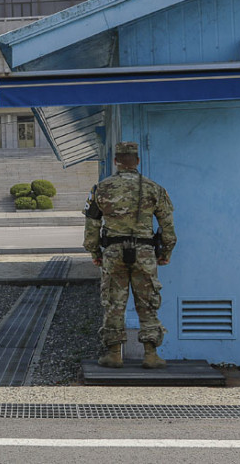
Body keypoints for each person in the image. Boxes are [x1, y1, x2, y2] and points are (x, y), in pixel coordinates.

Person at [83, 141, 176, 370]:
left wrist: (95, 252)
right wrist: (165, 253)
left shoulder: (101, 188)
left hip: (113, 252)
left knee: (114, 302)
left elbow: (92, 225)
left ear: (116, 161)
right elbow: (168, 227)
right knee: (148, 301)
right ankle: (151, 354)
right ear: (137, 161)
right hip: (145, 252)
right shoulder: (154, 188)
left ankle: (114, 354)